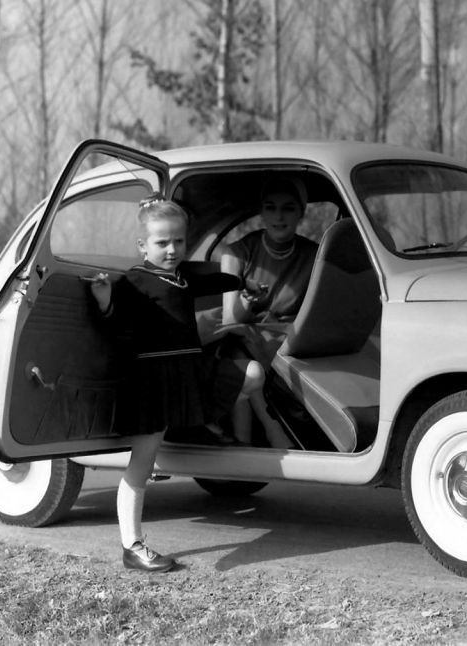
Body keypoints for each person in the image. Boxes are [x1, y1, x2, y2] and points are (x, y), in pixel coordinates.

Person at [87, 196, 240, 572]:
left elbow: (208, 281)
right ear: (143, 246)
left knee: (244, 377)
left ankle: (195, 432)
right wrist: (104, 300)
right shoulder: (136, 281)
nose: (172, 250)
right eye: (162, 243)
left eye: (179, 241)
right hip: (152, 381)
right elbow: (115, 325)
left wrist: (241, 280)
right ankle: (132, 546)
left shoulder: (180, 277)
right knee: (141, 462)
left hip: (182, 373)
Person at [206, 177, 318, 447]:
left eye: (288, 208)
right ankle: (270, 431)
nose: (279, 217)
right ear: (262, 212)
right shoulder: (237, 252)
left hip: (292, 338)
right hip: (246, 335)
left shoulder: (315, 255)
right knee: (237, 344)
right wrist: (247, 301)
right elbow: (232, 319)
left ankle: (249, 440)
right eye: (271, 208)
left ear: (301, 213)